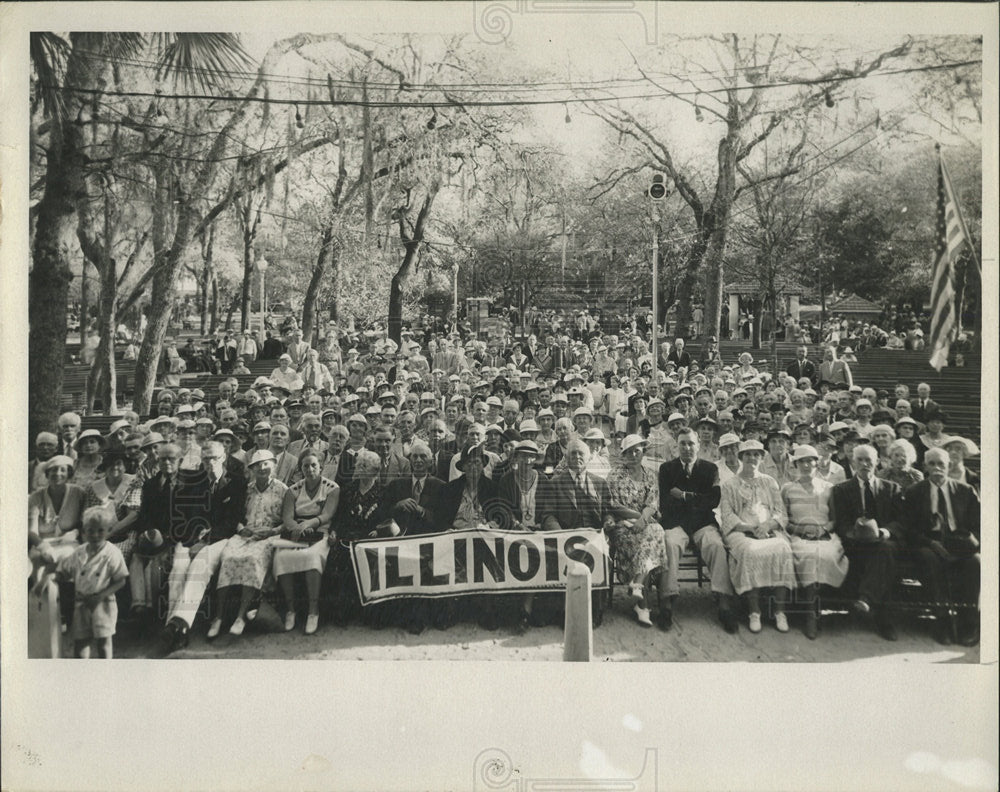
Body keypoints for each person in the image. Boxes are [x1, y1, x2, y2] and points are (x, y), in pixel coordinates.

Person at [902, 448, 980, 647]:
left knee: (975, 563)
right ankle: (942, 620)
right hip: (927, 541)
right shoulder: (914, 492)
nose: (937, 468)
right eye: (932, 464)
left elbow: (979, 525)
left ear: (949, 466)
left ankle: (968, 623)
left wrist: (969, 544)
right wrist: (931, 543)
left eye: (941, 464)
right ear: (925, 466)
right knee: (929, 559)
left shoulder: (966, 491)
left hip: (959, 542)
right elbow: (908, 529)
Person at [538, 438, 616, 627]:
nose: (577, 457)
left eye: (581, 453)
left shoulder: (599, 483)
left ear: (588, 457)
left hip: (593, 537)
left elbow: (608, 511)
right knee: (565, 557)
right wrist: (561, 536)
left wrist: (608, 521)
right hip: (567, 536)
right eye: (573, 453)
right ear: (566, 457)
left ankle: (594, 611)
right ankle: (566, 612)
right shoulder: (555, 483)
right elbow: (547, 515)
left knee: (600, 553)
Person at [719, 440, 795, 634]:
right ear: (741, 457)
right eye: (747, 454)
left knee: (783, 548)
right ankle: (754, 612)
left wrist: (767, 525)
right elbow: (727, 516)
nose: (751, 458)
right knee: (750, 551)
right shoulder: (729, 485)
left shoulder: (769, 482)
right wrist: (751, 529)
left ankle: (780, 611)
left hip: (768, 529)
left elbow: (780, 512)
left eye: (756, 455)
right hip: (741, 531)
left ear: (761, 458)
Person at [210, 450, 287, 638]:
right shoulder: (246, 489)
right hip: (245, 533)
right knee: (228, 557)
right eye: (257, 465)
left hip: (269, 535)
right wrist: (240, 528)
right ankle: (218, 617)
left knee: (252, 559)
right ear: (251, 469)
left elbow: (288, 520)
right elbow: (235, 514)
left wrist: (273, 531)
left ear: (273, 466)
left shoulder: (283, 489)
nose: (262, 468)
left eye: (266, 464)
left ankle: (240, 616)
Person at [830, 444, 903, 641]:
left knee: (885, 551)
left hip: (881, 541)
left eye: (868, 460)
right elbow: (840, 523)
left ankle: (867, 600)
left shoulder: (892, 488)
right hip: (854, 542)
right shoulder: (841, 489)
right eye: (860, 460)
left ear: (877, 462)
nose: (864, 464)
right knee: (881, 558)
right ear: (853, 463)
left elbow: (899, 521)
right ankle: (880, 616)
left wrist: (885, 531)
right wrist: (853, 533)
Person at [780, 445, 849, 640]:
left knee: (825, 555)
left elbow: (835, 519)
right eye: (802, 461)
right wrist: (800, 530)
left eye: (810, 460)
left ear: (816, 463)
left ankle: (817, 608)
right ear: (795, 464)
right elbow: (784, 520)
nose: (806, 464)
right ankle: (811, 614)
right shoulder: (787, 488)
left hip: (825, 536)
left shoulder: (828, 487)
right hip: (798, 536)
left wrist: (823, 529)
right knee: (809, 557)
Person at [273, 452, 340, 635]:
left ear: (321, 466)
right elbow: (287, 518)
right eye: (305, 466)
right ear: (300, 468)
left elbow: (327, 514)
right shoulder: (293, 490)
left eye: (313, 465)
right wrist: (298, 528)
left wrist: (309, 524)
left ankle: (313, 611)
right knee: (282, 557)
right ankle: (290, 610)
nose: (309, 469)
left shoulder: (332, 487)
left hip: (320, 532)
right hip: (296, 533)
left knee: (312, 557)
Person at [606, 435, 668, 629]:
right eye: (629, 451)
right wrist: (636, 518)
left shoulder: (650, 474)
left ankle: (639, 590)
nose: (633, 454)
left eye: (637, 451)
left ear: (643, 452)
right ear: (623, 455)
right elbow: (613, 504)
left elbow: (653, 502)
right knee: (646, 543)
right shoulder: (614, 475)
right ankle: (642, 600)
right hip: (623, 524)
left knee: (656, 531)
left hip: (646, 522)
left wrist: (643, 519)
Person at [51, 508, 128, 658]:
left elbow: (121, 580)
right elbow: (63, 572)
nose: (95, 535)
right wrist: (51, 579)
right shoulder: (79, 552)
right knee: (81, 642)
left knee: (104, 642)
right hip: (81, 604)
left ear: (108, 531)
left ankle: (106, 674)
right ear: (84, 532)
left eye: (100, 531)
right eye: (90, 531)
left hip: (104, 603)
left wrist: (100, 596)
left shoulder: (112, 553)